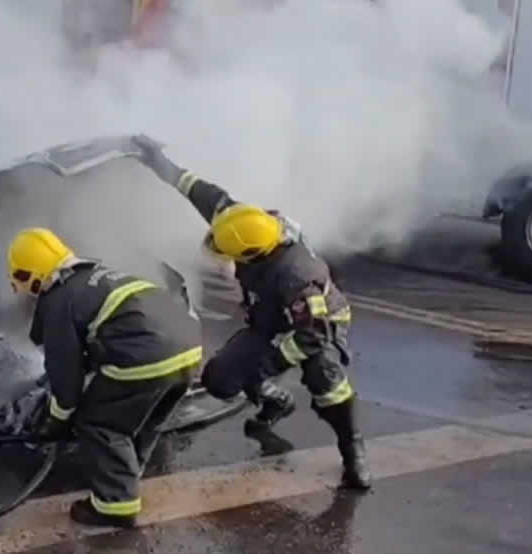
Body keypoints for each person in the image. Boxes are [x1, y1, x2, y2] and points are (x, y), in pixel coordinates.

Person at [132, 135, 372, 491]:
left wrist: (270, 362)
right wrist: (159, 165)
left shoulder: (298, 275)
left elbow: (313, 334)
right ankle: (275, 400)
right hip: (270, 319)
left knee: (327, 382)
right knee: (220, 378)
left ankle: (353, 451)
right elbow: (200, 191)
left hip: (317, 326)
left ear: (253, 255)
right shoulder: (243, 223)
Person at [7, 227, 204, 527]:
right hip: (190, 348)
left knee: (99, 422)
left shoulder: (59, 301)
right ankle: (127, 470)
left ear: (28, 275)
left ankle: (116, 505)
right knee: (144, 417)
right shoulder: (97, 276)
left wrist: (56, 422)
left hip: (147, 357)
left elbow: (66, 380)